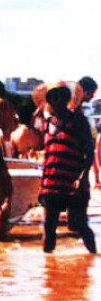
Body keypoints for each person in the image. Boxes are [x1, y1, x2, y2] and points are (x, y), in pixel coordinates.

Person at [39, 84, 96, 254]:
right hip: (51, 182)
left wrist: (83, 177)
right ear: (49, 100)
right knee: (49, 227)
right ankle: (48, 270)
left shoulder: (78, 121)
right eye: (54, 97)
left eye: (63, 97)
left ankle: (94, 257)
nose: (59, 101)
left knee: (79, 225)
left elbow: (89, 152)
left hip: (74, 181)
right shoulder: (47, 123)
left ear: (67, 99)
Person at [67, 76, 98, 234]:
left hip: (71, 165)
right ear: (85, 92)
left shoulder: (68, 112)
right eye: (92, 93)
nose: (93, 97)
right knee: (79, 211)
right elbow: (86, 145)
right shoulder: (77, 116)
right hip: (78, 165)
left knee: (73, 210)